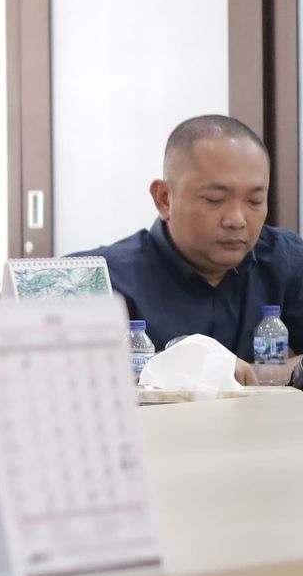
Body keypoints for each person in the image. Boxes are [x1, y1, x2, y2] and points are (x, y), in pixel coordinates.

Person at [79, 115, 303, 384]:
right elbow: (63, 380)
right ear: (164, 199)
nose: (237, 220)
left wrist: (256, 375)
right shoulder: (96, 278)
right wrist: (186, 368)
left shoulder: (286, 259)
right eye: (214, 199)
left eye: (254, 201)